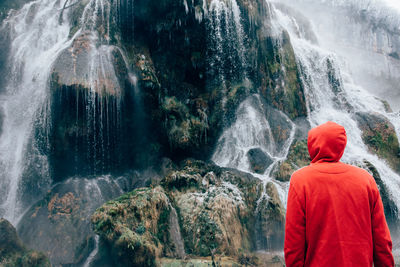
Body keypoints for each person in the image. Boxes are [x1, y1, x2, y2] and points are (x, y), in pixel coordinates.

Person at [284, 121, 394, 267]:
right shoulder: (365, 179)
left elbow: (293, 244)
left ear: (311, 145)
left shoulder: (300, 180)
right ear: (341, 145)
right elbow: (382, 240)